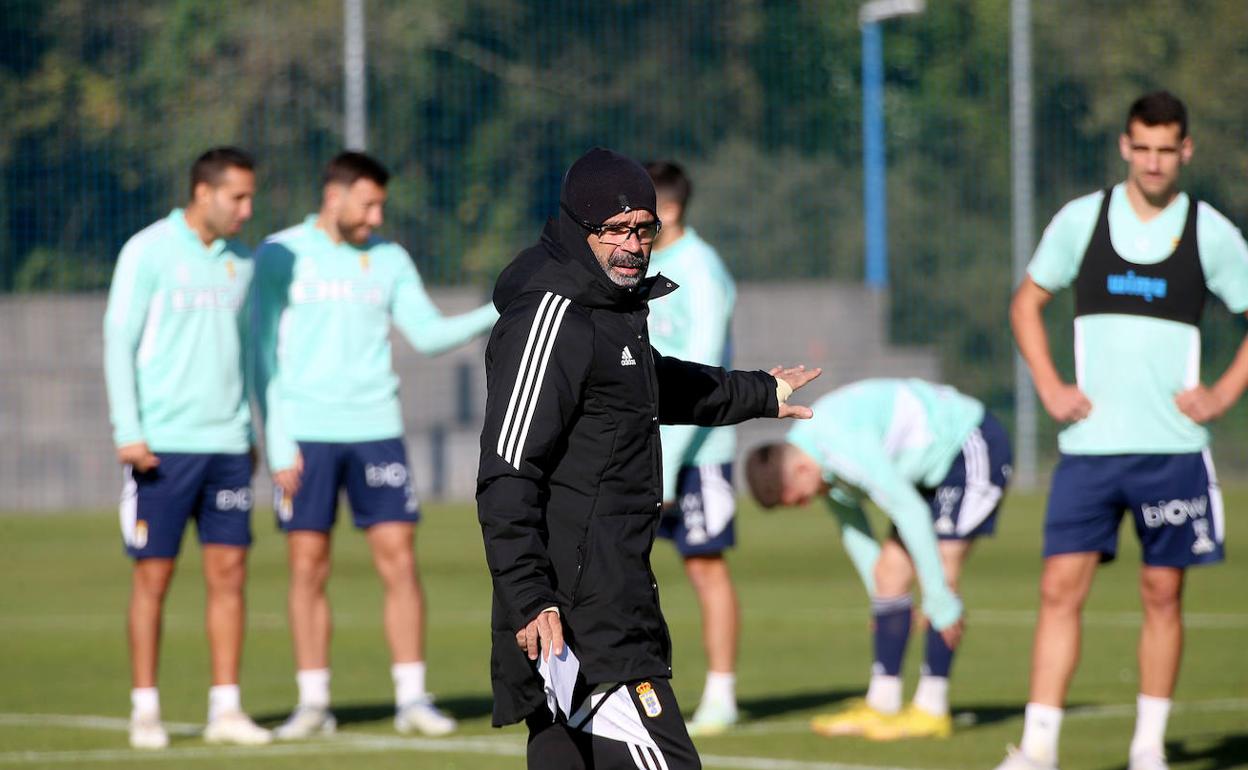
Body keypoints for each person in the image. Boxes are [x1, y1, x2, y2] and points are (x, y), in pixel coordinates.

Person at [476, 147, 821, 769]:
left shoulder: (607, 312)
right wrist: (532, 596)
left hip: (600, 606)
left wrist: (760, 392)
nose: (635, 245)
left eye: (645, 229)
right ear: (583, 227)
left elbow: (653, 383)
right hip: (580, 620)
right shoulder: (551, 319)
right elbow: (506, 472)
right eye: (619, 230)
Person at [996, 91, 1248, 770]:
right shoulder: (1085, 220)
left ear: (1185, 151)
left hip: (1174, 453)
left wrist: (1222, 393)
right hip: (1089, 451)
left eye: (1169, 149)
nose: (1156, 161)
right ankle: (1040, 748)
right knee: (1058, 590)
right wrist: (1049, 387)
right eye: (1144, 147)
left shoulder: (1210, 232)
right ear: (1125, 147)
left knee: (1163, 594)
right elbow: (1026, 304)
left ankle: (1147, 749)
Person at [251, 151, 498, 739]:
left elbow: (430, 334)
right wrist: (278, 440)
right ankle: (313, 702)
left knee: (400, 561)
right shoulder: (280, 254)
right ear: (333, 197)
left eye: (381, 204)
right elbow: (259, 350)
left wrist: (498, 308)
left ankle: (412, 697)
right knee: (308, 567)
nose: (377, 216)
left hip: (376, 432)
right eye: (369, 203)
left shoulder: (388, 259)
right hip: (306, 435)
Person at [103, 147, 271, 749]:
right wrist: (129, 430)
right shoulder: (147, 250)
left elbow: (250, 358)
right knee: (154, 578)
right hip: (162, 448)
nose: (247, 210)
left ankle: (226, 708)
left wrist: (253, 433)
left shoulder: (242, 263)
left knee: (229, 575)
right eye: (238, 197)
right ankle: (144, 709)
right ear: (204, 193)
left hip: (226, 444)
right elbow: (117, 339)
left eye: (251, 197)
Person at [745, 378, 1010, 741]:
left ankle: (932, 708)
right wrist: (883, 604)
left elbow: (910, 512)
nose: (807, 504)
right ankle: (883, 703)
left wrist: (935, 598)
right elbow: (853, 528)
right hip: (925, 470)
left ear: (801, 472)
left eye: (799, 499)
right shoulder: (812, 457)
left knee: (944, 574)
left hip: (967, 445)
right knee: (888, 576)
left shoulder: (841, 448)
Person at [644, 160, 743, 735]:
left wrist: (669, 463)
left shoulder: (702, 270)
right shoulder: (636, 263)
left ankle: (722, 695)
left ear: (671, 210)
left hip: (698, 453)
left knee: (705, 568)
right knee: (620, 567)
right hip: (639, 447)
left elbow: (704, 373)